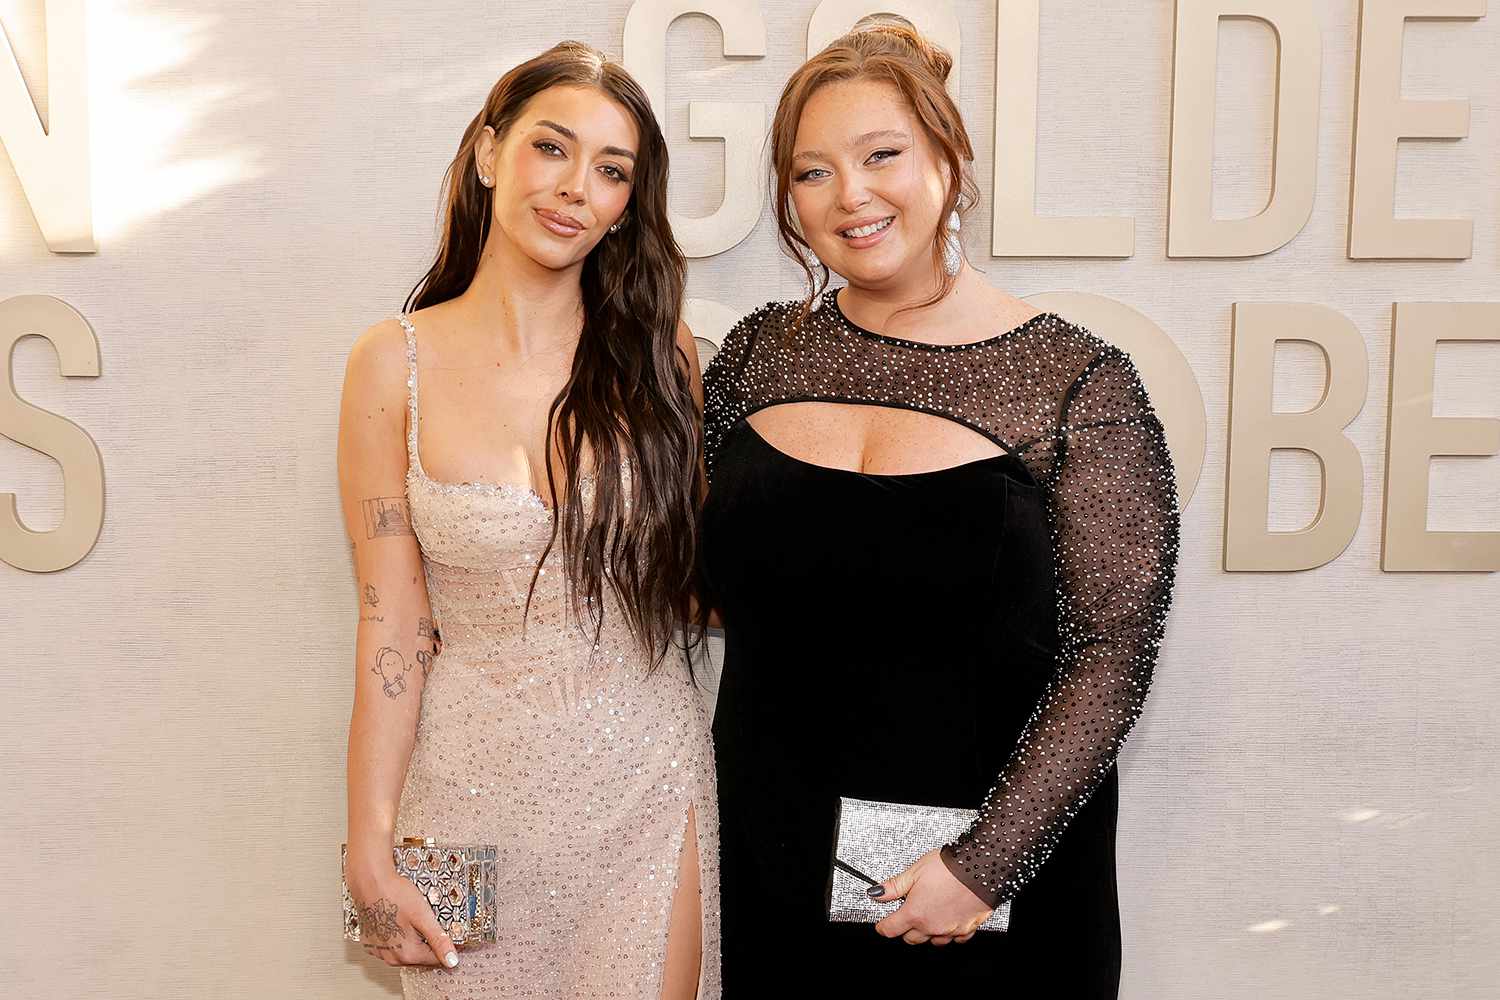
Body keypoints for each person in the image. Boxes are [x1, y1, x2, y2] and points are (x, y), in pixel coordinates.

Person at [698, 21, 1180, 995]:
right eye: (813, 172)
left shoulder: (1074, 382)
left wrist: (980, 868)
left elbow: (1114, 652)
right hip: (776, 857)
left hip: (984, 890)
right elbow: (690, 585)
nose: (853, 196)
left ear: (949, 158)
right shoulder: (754, 358)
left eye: (884, 155)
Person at [337, 41, 718, 1000]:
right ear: (488, 153)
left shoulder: (661, 359)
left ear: (629, 201)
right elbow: (392, 621)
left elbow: (699, 589)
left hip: (648, 782)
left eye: (612, 170)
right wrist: (370, 847)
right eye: (552, 148)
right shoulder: (394, 364)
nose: (574, 188)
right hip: (465, 790)